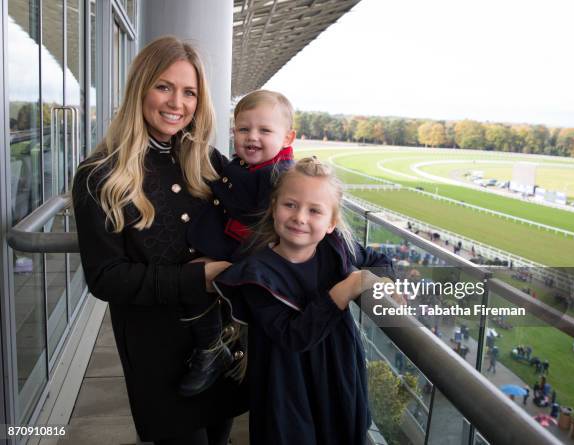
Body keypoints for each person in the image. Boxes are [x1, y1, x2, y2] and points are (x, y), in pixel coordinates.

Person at [72, 36, 247, 444]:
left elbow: (261, 209)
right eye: (164, 86)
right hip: (159, 353)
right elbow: (105, 278)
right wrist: (197, 279)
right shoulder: (100, 175)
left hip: (220, 343)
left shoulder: (205, 161)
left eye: (189, 92)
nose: (177, 103)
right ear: (140, 88)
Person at [214, 158, 395, 445]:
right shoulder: (256, 274)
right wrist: (347, 288)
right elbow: (293, 336)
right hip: (286, 387)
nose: (300, 217)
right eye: (290, 205)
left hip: (337, 374)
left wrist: (387, 285)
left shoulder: (338, 248)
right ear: (274, 207)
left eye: (314, 211)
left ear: (331, 223)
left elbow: (380, 261)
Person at [178, 90, 296, 396]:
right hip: (235, 246)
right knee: (192, 278)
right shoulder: (247, 166)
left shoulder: (281, 177)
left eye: (265, 130)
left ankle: (213, 348)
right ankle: (216, 346)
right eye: (244, 129)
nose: (252, 137)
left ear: (288, 138)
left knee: (195, 278)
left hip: (255, 258)